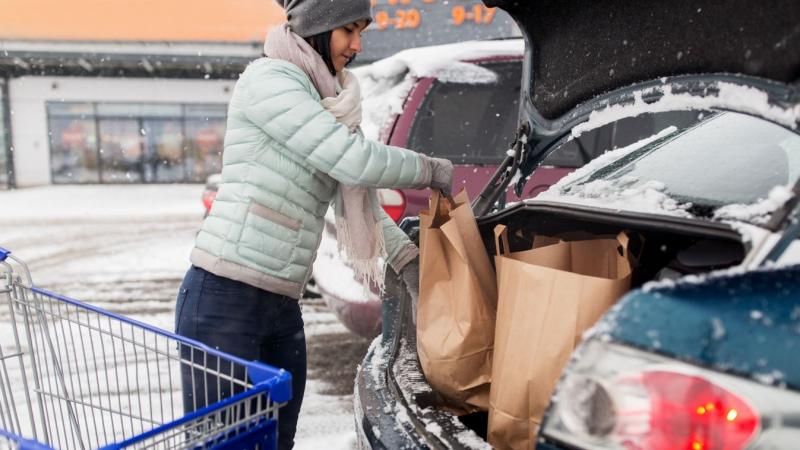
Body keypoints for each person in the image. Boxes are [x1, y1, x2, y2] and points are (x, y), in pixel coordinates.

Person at [173, 0, 453, 448]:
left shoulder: (330, 96)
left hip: (281, 303)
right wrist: (429, 169)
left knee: (278, 440)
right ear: (317, 28)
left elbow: (357, 196)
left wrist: (407, 261)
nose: (358, 46)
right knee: (227, 445)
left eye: (362, 31)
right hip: (224, 299)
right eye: (348, 31)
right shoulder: (270, 82)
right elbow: (353, 161)